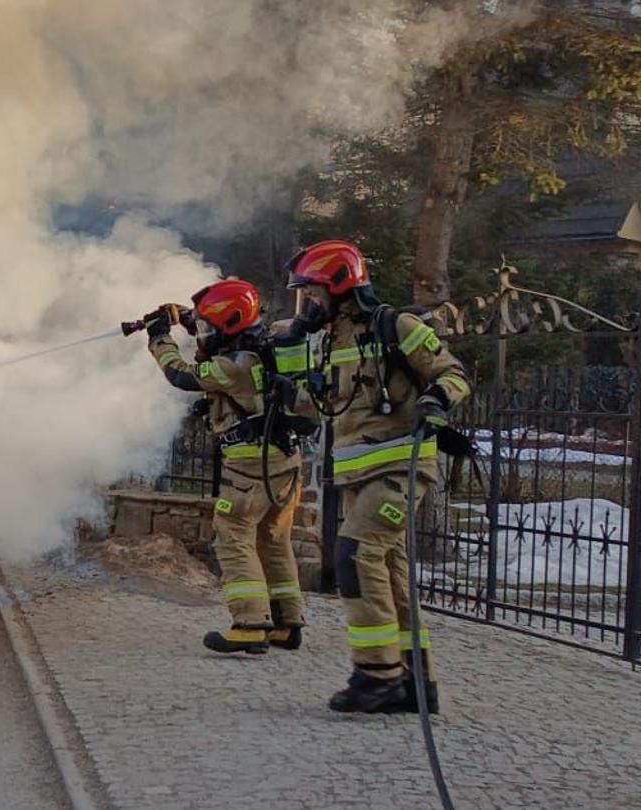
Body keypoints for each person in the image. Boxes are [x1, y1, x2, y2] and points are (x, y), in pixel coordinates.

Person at [278, 239, 473, 714]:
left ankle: (376, 674)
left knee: (354, 554)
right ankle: (414, 682)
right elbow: (315, 404)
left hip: (399, 469)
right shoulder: (331, 341)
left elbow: (454, 374)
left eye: (313, 293)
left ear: (340, 286)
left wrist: (436, 400)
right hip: (359, 475)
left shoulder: (396, 326)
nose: (308, 303)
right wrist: (287, 362)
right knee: (390, 574)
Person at [137, 279, 312, 655]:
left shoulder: (233, 365)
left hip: (250, 467)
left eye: (209, 326)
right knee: (273, 540)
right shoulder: (262, 347)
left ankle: (250, 624)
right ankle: (286, 622)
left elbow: (181, 374)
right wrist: (189, 319)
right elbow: (214, 341)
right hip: (284, 459)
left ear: (229, 324)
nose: (204, 333)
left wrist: (159, 337)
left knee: (233, 537)